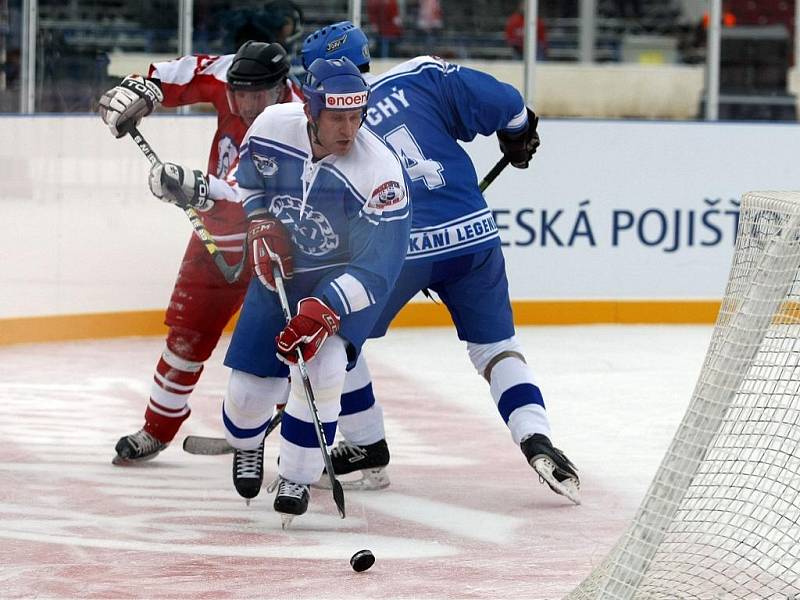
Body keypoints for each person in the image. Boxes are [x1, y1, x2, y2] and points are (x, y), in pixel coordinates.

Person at [300, 22, 580, 504]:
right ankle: (536, 438)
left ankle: (364, 443)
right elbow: (508, 101)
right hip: (473, 234)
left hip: (397, 251)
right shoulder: (420, 76)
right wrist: (517, 134)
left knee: (335, 336)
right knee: (496, 350)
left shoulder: (329, 124)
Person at [221, 57, 410, 525]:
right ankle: (248, 445)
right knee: (246, 397)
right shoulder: (270, 126)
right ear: (310, 110)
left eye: (356, 116)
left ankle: (298, 475)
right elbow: (250, 182)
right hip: (281, 272)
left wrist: (325, 309)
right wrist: (260, 220)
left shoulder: (379, 171)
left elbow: (379, 267)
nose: (348, 130)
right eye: (336, 118)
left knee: (324, 367)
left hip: (346, 283)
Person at [98, 41, 302, 465]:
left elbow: (249, 189)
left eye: (257, 96)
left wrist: (199, 188)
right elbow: (187, 72)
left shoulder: (298, 120)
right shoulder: (229, 73)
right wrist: (144, 89)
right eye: (239, 95)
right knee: (185, 337)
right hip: (218, 235)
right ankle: (156, 430)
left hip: (276, 242)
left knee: (285, 344)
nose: (246, 106)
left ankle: (291, 434)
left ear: (281, 88)